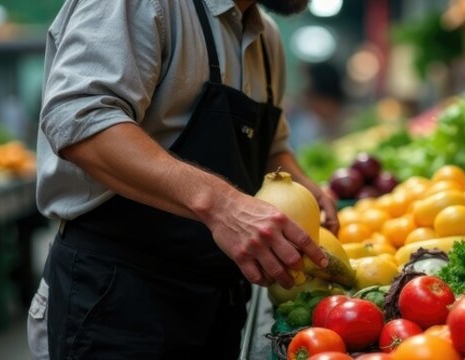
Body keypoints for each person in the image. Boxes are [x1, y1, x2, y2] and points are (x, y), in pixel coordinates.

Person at [27, 0, 339, 358]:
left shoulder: (266, 37)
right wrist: (222, 205)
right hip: (116, 300)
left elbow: (271, 147)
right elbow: (79, 120)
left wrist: (300, 184)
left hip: (218, 301)